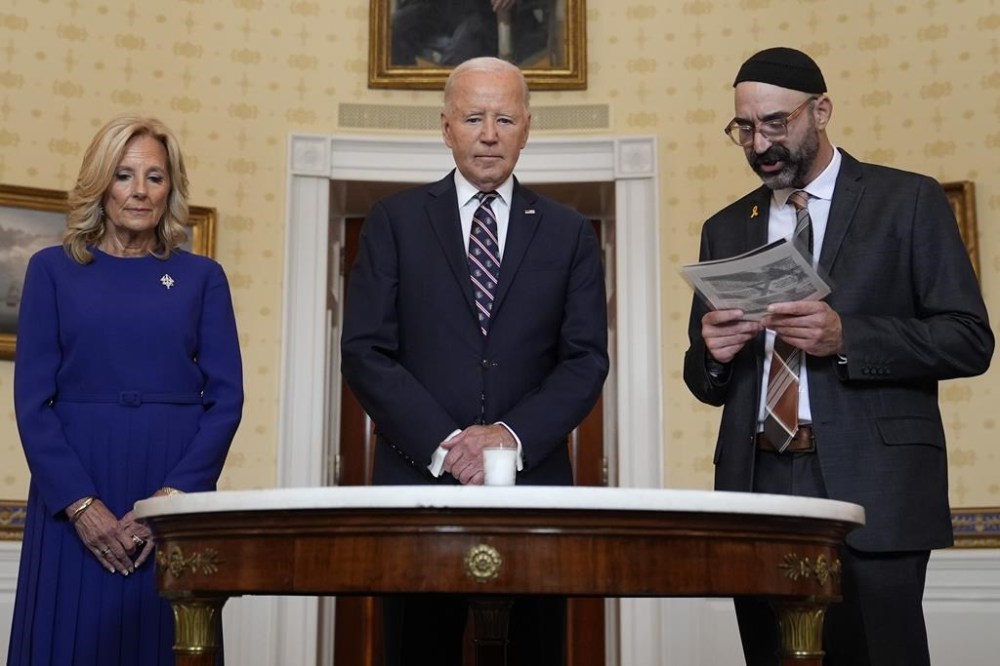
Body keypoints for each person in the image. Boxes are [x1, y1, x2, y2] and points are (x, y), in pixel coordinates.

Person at [683, 47, 994, 665]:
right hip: (760, 484)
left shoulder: (907, 201)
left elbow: (968, 338)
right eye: (744, 128)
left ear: (821, 111)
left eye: (776, 123)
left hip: (877, 486)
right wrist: (712, 355)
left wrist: (847, 337)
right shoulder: (727, 226)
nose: (759, 143)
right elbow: (706, 379)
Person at [341, 56, 608, 665]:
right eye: (473, 117)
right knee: (417, 650)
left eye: (505, 118)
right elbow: (364, 352)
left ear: (527, 128)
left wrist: (508, 438)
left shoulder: (568, 233)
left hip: (534, 492)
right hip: (416, 487)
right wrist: (447, 446)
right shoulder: (394, 223)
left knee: (533, 652)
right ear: (446, 128)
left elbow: (585, 360)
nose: (489, 133)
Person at [8, 115, 244, 665]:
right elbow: (31, 404)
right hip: (72, 490)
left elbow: (226, 399)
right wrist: (81, 505)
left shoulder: (201, 277)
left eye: (155, 177)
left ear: (170, 188)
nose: (139, 191)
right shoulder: (51, 271)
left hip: (169, 488)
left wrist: (170, 502)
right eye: (124, 175)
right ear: (100, 184)